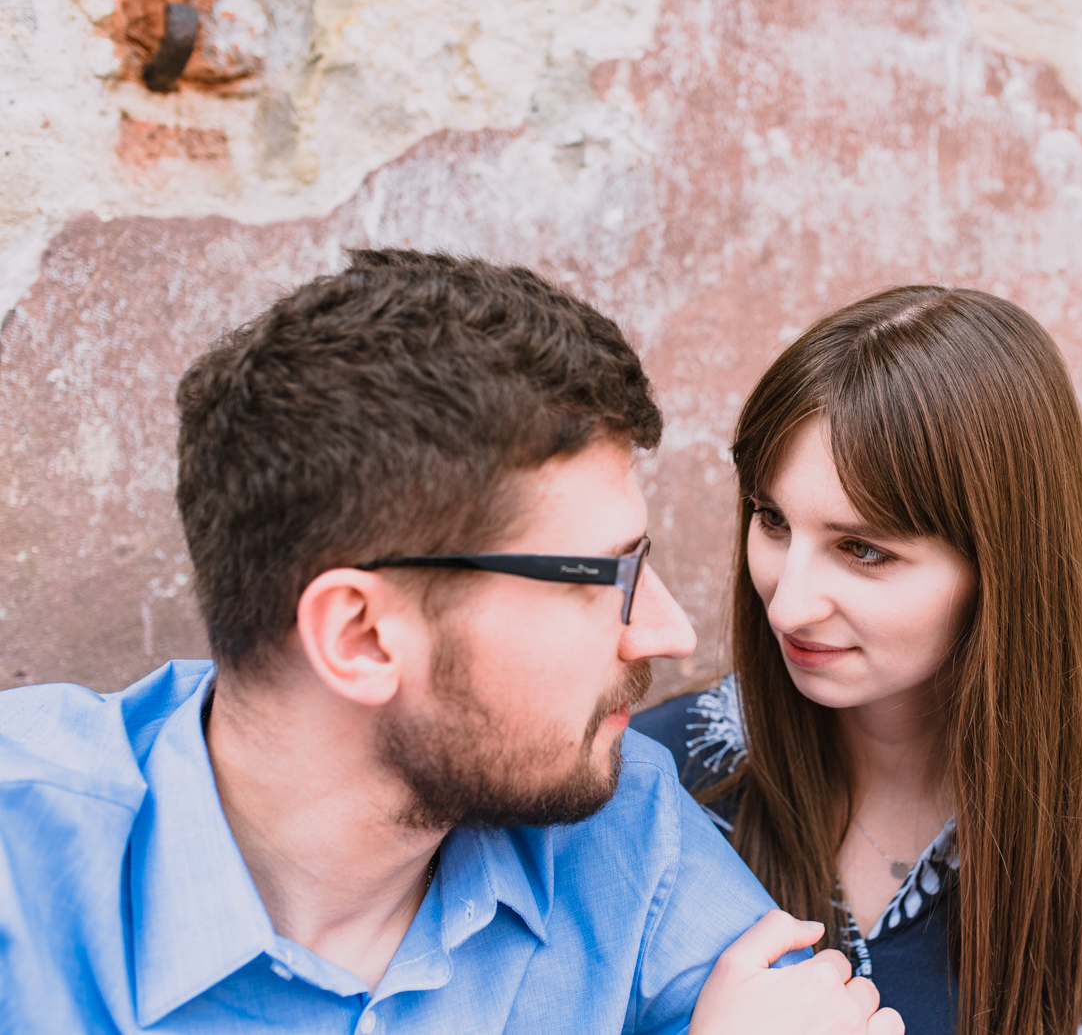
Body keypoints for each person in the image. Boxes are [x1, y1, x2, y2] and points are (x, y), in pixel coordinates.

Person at [0, 251, 903, 1035]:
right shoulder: (23, 873)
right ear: (361, 636)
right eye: (606, 578)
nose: (669, 631)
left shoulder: (621, 835)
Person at [634, 287, 1082, 1035]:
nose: (786, 604)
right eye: (772, 521)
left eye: (863, 549)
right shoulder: (658, 785)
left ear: (1002, 567)